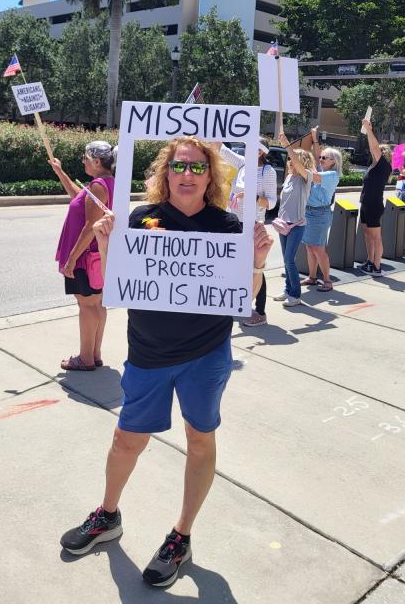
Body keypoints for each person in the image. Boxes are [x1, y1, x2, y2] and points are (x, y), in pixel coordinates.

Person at [59, 136, 274, 586]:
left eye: (198, 168)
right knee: (126, 442)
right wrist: (107, 242)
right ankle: (108, 515)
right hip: (148, 353)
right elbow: (120, 284)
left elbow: (245, 298)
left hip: (206, 356)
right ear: (166, 172)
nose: (188, 175)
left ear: (211, 176)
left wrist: (256, 262)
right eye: (180, 166)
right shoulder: (141, 219)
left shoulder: (228, 225)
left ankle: (181, 536)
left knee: (200, 439)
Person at [51, 141, 116, 371]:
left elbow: (90, 227)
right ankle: (94, 354)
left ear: (97, 162)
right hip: (97, 256)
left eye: (85, 158)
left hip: (86, 257)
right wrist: (60, 172)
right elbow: (78, 197)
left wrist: (71, 259)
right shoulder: (105, 183)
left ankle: (85, 358)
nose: (83, 161)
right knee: (96, 303)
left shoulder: (98, 186)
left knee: (87, 305)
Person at [219, 139, 277, 326]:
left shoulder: (267, 171)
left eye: (251, 147)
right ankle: (238, 303)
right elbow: (221, 148)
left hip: (252, 224)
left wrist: (251, 196)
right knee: (236, 266)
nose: (247, 149)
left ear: (261, 152)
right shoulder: (243, 164)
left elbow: (272, 202)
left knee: (256, 266)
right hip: (234, 221)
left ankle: (260, 311)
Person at [273, 137, 315, 306]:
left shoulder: (307, 177)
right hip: (284, 225)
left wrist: (287, 146)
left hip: (296, 226)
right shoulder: (289, 178)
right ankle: (288, 289)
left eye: (292, 159)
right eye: (289, 160)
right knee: (286, 259)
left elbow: (298, 165)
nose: (290, 162)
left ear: (301, 161)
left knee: (290, 259)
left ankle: (296, 295)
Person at [300, 128, 342, 292]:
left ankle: (327, 280)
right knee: (310, 246)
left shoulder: (331, 175)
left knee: (318, 248)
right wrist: (315, 139)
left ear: (334, 161)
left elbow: (312, 175)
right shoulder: (323, 170)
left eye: (325, 157)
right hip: (309, 211)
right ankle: (312, 277)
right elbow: (317, 156)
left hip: (320, 213)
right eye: (321, 157)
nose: (321, 159)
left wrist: (299, 164)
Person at [357, 121, 393, 277]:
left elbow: (374, 147)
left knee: (376, 237)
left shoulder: (384, 165)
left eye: (381, 150)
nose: (376, 152)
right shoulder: (374, 166)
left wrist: (369, 130)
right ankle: (370, 262)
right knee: (367, 234)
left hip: (373, 204)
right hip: (366, 203)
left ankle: (377, 267)